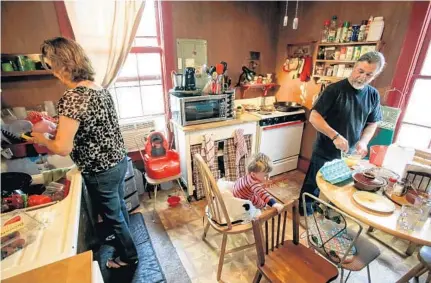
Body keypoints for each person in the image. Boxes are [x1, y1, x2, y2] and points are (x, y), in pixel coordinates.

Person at [31, 37, 138, 269]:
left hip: (100, 169)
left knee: (113, 215)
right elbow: (92, 126)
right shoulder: (98, 88)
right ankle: (124, 241)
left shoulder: (73, 97)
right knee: (118, 207)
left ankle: (128, 257)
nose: (51, 71)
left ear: (64, 65)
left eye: (51, 64)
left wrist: (42, 138)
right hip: (118, 160)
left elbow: (62, 147)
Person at [299, 51, 385, 215]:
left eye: (369, 75)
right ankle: (305, 211)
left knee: (338, 186)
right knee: (314, 184)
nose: (362, 77)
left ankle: (325, 211)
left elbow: (373, 123)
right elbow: (314, 117)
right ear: (354, 67)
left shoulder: (373, 95)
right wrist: (335, 136)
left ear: (375, 75)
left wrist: (363, 141)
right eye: (360, 71)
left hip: (349, 153)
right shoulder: (335, 90)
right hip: (325, 150)